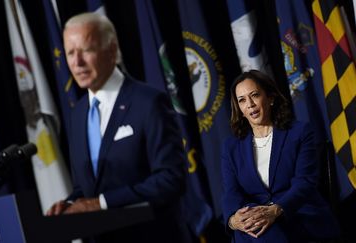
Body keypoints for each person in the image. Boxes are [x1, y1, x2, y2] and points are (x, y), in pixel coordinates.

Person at [46, 12, 192, 243]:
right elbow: (86, 186)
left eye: (86, 50)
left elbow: (171, 179)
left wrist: (101, 203)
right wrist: (71, 203)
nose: (77, 62)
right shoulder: (78, 113)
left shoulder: (149, 102)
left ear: (112, 50)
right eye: (71, 53)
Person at [221, 70, 340, 242]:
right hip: (259, 226)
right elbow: (231, 192)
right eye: (242, 100)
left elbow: (304, 182)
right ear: (239, 108)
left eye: (254, 95)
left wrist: (275, 210)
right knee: (248, 229)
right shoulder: (231, 147)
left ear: (270, 98)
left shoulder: (299, 133)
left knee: (260, 231)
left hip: (298, 216)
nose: (250, 104)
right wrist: (233, 221)